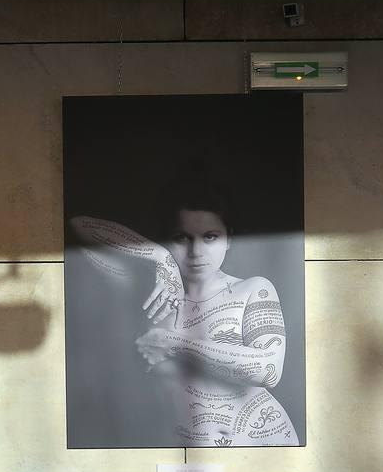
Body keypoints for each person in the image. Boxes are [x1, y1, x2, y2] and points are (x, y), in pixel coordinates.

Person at [69, 183, 298, 447]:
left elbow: (268, 370)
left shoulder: (252, 289)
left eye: (210, 237)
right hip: (187, 459)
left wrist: (174, 344)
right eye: (182, 238)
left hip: (265, 448)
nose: (196, 252)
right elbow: (78, 226)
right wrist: (160, 256)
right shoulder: (151, 298)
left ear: (229, 238)